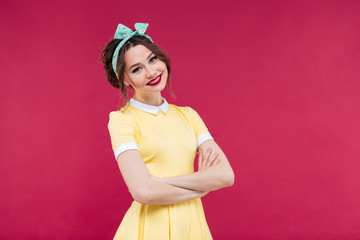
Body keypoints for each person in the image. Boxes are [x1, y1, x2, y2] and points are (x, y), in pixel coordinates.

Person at [100, 23, 235, 240]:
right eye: (137, 69)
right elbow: (142, 192)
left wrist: (158, 182)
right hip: (150, 229)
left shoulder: (189, 116)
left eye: (153, 59)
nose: (151, 71)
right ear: (125, 80)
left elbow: (226, 176)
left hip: (192, 226)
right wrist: (201, 184)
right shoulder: (122, 120)